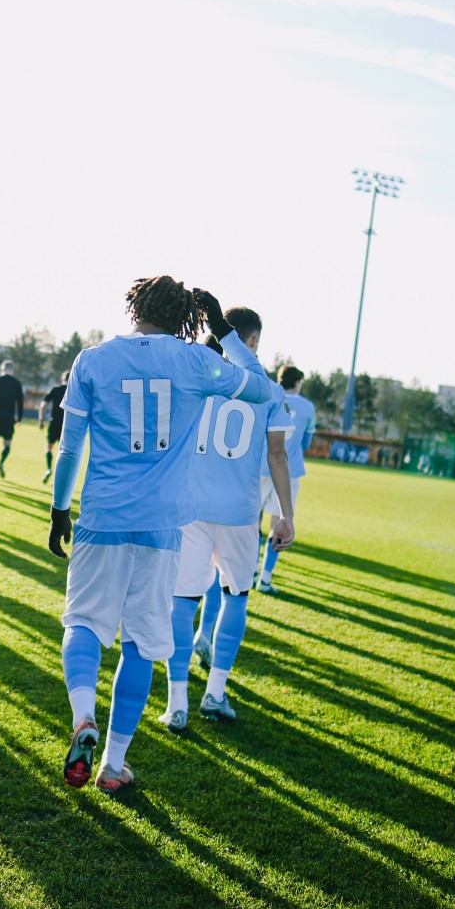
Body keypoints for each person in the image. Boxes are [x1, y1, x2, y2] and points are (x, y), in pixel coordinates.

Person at [45, 279, 272, 794]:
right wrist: (224, 332)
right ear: (186, 317)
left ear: (135, 306)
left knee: (82, 623)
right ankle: (112, 765)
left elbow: (70, 448)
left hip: (102, 517)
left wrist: (60, 509)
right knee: (143, 645)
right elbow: (262, 388)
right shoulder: (197, 361)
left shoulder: (93, 360)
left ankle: (84, 716)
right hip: (163, 525)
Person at [163, 306, 296, 732]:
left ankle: (177, 702)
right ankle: (215, 693)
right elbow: (277, 454)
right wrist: (286, 515)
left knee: (183, 602)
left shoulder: (196, 377)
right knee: (235, 597)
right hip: (240, 513)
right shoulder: (269, 390)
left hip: (192, 509)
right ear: (251, 341)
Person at [256, 364, 316, 594]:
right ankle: (265, 578)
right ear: (298, 383)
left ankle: (250, 570)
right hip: (288, 471)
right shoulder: (308, 407)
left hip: (261, 465)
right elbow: (306, 444)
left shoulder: (268, 397)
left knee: (254, 519)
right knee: (279, 522)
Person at [0, 359, 25, 478]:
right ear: (12, 370)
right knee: (7, 444)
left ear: (1, 369)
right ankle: (1, 462)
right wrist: (19, 418)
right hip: (9, 416)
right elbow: (20, 402)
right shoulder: (17, 383)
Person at [40, 370, 70, 484]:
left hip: (54, 423)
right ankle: (58, 475)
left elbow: (43, 405)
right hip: (66, 425)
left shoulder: (55, 389)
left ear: (62, 379)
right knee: (61, 451)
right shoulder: (73, 391)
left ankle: (48, 468)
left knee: (49, 447)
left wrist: (41, 420)